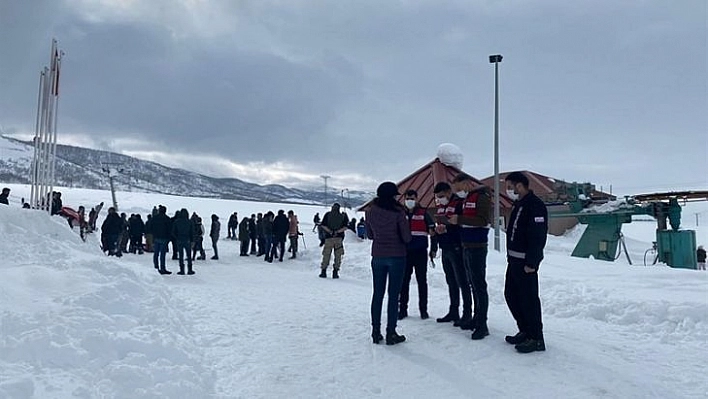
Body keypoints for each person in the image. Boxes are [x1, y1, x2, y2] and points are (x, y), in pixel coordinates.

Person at [504, 171, 548, 353]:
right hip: (514, 260)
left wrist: (532, 261)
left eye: (509, 187)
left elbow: (537, 236)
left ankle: (536, 338)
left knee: (529, 300)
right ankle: (525, 329)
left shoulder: (534, 205)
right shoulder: (518, 204)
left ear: (520, 186)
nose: (508, 190)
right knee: (511, 295)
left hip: (526, 263)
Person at [365, 181, 411, 345]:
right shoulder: (398, 212)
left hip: (378, 255)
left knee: (377, 294)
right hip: (397, 255)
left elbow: (370, 235)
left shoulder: (370, 212)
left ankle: (375, 332)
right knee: (393, 295)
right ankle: (391, 332)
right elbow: (406, 237)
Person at [449, 173, 492, 340]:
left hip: (477, 246)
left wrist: (459, 218)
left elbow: (482, 220)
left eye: (459, 189)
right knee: (473, 284)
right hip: (467, 245)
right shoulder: (468, 199)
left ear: (466, 184)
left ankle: (482, 323)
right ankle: (476, 317)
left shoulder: (482, 196)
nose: (458, 192)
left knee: (479, 284)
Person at [432, 182, 472, 326]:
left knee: (462, 281)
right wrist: (438, 230)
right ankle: (453, 310)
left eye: (442, 196)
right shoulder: (442, 207)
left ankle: (467, 313)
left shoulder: (458, 204)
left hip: (457, 247)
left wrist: (448, 228)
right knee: (451, 281)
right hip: (445, 247)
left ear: (449, 192)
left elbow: (462, 224)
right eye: (438, 197)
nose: (440, 199)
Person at [398, 189, 436, 320]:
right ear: (404, 199)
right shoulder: (400, 213)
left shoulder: (424, 213)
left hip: (420, 252)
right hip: (404, 253)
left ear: (417, 199)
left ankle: (423, 310)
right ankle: (402, 309)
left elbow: (433, 231)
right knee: (404, 282)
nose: (410, 201)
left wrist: (433, 249)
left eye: (412, 198)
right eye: (408, 198)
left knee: (422, 282)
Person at [319, 203, 349, 278]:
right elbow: (345, 227)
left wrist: (330, 231)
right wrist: (337, 232)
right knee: (338, 256)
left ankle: (323, 271)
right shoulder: (343, 216)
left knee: (326, 255)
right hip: (338, 238)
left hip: (328, 238)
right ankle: (335, 272)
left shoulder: (327, 215)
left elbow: (323, 225)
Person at [172, 208, 195, 275]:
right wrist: (192, 240)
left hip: (179, 240)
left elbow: (173, 232)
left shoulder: (176, 221)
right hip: (187, 240)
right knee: (189, 255)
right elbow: (192, 232)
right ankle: (190, 270)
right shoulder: (190, 222)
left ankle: (182, 270)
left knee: (181, 256)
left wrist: (177, 237)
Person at [151, 205, 173, 275]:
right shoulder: (167, 219)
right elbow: (170, 229)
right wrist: (169, 238)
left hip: (156, 237)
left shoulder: (154, 218)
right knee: (162, 255)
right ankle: (162, 268)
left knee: (156, 253)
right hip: (164, 238)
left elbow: (151, 227)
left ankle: (156, 267)